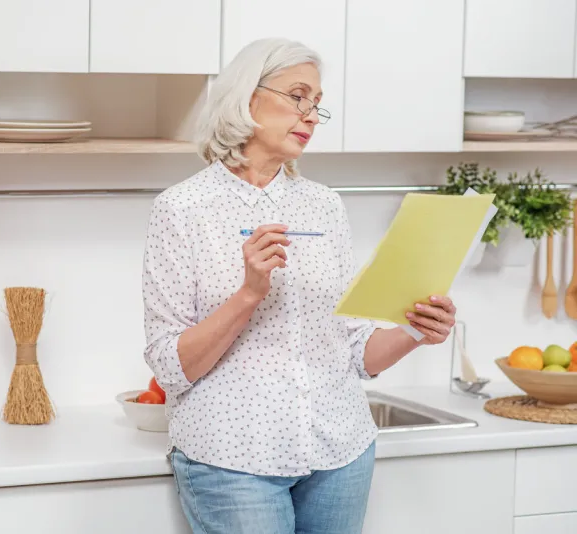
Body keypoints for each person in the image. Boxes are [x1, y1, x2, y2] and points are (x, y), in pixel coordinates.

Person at [141, 38, 457, 534]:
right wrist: (248, 294)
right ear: (247, 97)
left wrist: (416, 330)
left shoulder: (325, 205)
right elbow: (169, 366)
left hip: (340, 452)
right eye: (297, 96)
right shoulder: (182, 209)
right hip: (234, 460)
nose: (310, 115)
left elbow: (354, 351)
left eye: (316, 104)